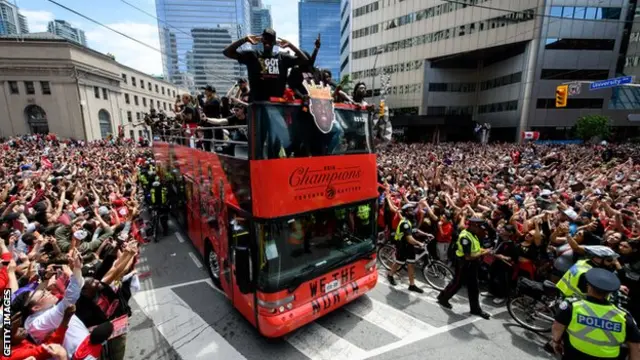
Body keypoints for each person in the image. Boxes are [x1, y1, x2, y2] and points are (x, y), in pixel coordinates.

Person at [550, 268, 640, 359]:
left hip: (574, 354)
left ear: (588, 286)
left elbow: (557, 327)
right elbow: (636, 347)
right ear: (609, 293)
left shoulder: (572, 307)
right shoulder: (624, 317)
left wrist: (556, 342)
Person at [222, 27, 308, 101]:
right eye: (265, 38)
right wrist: (244, 40)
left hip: (277, 106)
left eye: (270, 39)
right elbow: (227, 52)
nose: (267, 42)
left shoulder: (283, 58)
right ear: (262, 40)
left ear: (274, 42)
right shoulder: (252, 56)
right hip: (257, 107)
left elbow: (305, 61)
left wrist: (290, 45)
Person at [437, 218, 492, 319]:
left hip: (472, 265)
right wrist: (484, 252)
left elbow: (475, 248)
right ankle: (443, 298)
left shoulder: (473, 234)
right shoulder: (465, 237)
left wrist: (485, 250)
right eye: (478, 227)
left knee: (474, 288)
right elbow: (468, 256)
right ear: (472, 226)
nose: (480, 229)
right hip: (464, 264)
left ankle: (475, 309)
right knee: (457, 284)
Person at [557, 245, 621, 300]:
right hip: (574, 301)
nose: (612, 263)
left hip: (564, 292)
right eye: (609, 260)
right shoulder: (587, 274)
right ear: (596, 258)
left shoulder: (583, 262)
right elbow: (596, 294)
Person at [386, 203, 425, 293]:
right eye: (410, 210)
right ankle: (390, 275)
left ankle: (412, 285)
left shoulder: (410, 221)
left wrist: (426, 234)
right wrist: (419, 243)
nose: (412, 211)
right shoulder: (405, 223)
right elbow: (409, 239)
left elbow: (415, 230)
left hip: (409, 246)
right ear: (406, 212)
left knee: (411, 264)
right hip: (402, 246)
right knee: (399, 262)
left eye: (412, 209)